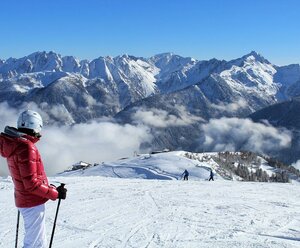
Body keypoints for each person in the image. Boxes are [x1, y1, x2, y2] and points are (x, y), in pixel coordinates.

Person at [0, 110, 67, 248]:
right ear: (36, 127)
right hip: (32, 201)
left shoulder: (15, 144)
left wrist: (51, 188)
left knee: (37, 241)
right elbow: (31, 184)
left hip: (25, 199)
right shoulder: (26, 147)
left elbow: (27, 179)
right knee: (35, 244)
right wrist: (56, 193)